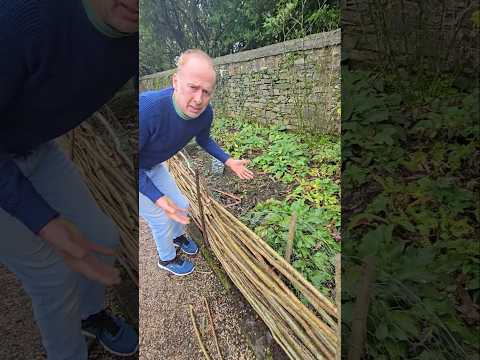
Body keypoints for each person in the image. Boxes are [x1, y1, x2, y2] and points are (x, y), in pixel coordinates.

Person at [0, 0, 139, 358]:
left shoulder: (139, 35)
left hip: (32, 147)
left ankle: (90, 317)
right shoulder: (20, 20)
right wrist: (45, 221)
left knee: (101, 237)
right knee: (51, 276)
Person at [139, 49, 254, 276]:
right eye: (193, 87)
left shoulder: (205, 114)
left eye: (206, 92)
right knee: (160, 218)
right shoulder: (147, 110)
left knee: (181, 204)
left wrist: (228, 160)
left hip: (153, 165)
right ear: (176, 81)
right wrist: (158, 198)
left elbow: (203, 139)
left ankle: (178, 236)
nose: (199, 99)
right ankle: (167, 259)